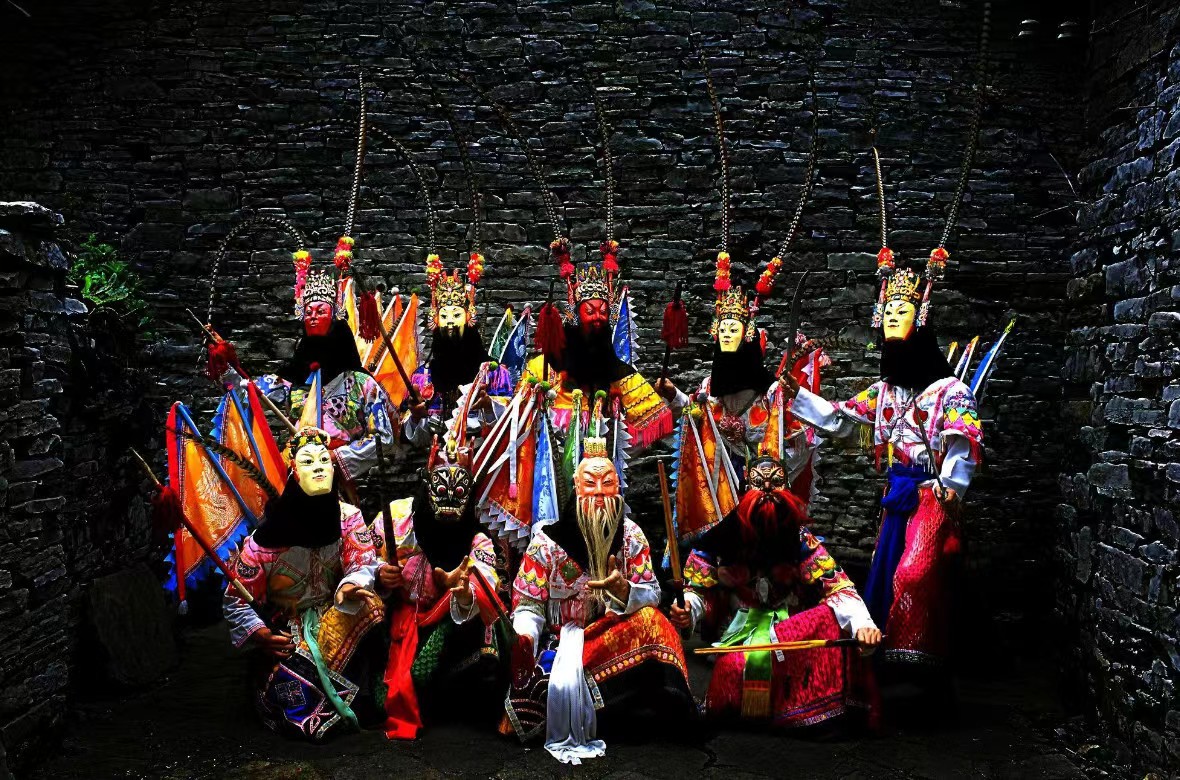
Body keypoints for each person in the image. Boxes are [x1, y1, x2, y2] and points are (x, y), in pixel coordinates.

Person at [780, 248, 982, 667]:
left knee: (915, 573)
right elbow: (842, 419)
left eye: (902, 310)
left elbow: (961, 444)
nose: (892, 316)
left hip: (931, 494)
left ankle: (918, 656)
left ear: (920, 320)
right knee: (887, 572)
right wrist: (797, 396)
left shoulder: (952, 391)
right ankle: (885, 654)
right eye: (887, 310)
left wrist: (951, 487)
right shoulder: (884, 391)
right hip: (897, 493)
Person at [503, 436, 693, 764]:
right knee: (543, 691)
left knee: (653, 622)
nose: (600, 493)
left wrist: (625, 591)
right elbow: (528, 605)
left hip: (612, 638)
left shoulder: (631, 536)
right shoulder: (546, 543)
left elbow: (652, 593)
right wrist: (526, 637)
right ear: (577, 489)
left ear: (619, 489)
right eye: (591, 484)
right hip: (560, 642)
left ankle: (665, 707)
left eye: (608, 483)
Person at [668, 455, 881, 727]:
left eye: (776, 482)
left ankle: (807, 711)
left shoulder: (800, 539)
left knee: (830, 617)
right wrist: (687, 609)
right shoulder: (720, 538)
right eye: (759, 482)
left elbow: (837, 586)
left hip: (791, 631)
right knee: (733, 674)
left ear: (787, 487)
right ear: (746, 487)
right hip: (741, 631)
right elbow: (698, 590)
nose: (767, 488)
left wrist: (863, 625)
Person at [222, 426, 401, 740]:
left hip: (336, 613)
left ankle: (367, 693)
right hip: (289, 629)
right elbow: (237, 599)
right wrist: (262, 633)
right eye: (307, 461)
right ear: (294, 472)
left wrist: (351, 583)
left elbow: (362, 562)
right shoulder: (263, 542)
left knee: (370, 606)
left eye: (324, 460)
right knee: (297, 691)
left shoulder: (347, 518)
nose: (318, 467)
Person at [372, 434, 508, 739]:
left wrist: (462, 590)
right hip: (400, 614)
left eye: (458, 495)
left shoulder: (476, 539)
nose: (448, 506)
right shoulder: (396, 518)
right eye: (441, 493)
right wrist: (380, 575)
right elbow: (363, 558)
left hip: (448, 621)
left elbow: (486, 576)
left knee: (489, 617)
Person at [255, 264, 395, 489]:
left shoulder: (362, 383)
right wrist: (227, 368)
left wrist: (336, 456)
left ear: (334, 320)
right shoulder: (293, 378)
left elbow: (383, 438)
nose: (312, 317)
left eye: (320, 312)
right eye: (308, 312)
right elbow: (251, 393)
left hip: (336, 480)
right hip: (295, 477)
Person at [402, 255, 514, 448]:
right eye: (444, 316)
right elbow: (415, 440)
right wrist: (416, 417)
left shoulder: (495, 374)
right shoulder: (422, 378)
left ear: (469, 318)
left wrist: (489, 407)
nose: (450, 322)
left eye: (456, 314)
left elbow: (511, 429)